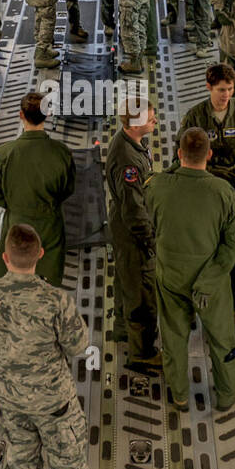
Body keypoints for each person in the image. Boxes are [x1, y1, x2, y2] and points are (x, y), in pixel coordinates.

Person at [0, 223, 112, 469]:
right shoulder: (56, 300)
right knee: (67, 455)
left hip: (8, 396)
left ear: (5, 257)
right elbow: (78, 346)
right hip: (52, 401)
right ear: (41, 255)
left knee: (20, 452)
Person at [146, 127, 235, 411]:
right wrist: (210, 277)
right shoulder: (224, 191)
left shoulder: (157, 185)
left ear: (178, 154)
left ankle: (179, 394)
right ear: (210, 155)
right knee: (221, 336)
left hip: (171, 275)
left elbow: (151, 217)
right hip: (209, 279)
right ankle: (226, 392)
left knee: (174, 336)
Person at [175, 63, 235, 329]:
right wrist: (210, 171)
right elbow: (180, 151)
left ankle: (234, 303)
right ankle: (198, 300)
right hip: (204, 190)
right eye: (220, 90)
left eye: (229, 89)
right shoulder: (195, 117)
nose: (225, 95)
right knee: (203, 246)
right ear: (208, 87)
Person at [0, 91, 75, 287]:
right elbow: (67, 190)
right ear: (47, 114)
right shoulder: (62, 153)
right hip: (50, 227)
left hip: (15, 226)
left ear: (21, 115)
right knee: (47, 286)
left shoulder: (4, 154)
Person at [105, 97, 161, 368]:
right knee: (142, 289)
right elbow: (134, 209)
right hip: (131, 231)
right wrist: (151, 242)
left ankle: (123, 329)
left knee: (126, 279)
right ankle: (142, 353)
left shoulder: (132, 143)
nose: (155, 122)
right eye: (151, 118)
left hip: (123, 223)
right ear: (136, 123)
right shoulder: (128, 159)